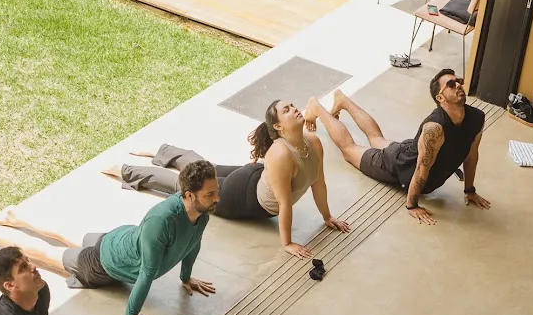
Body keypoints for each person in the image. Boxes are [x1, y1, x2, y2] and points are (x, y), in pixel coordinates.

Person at [0, 161, 219, 315]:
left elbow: (192, 244)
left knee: (68, 235)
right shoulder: (162, 221)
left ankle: (14, 217)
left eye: (215, 191)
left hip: (118, 240)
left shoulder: (201, 212)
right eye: (210, 194)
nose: (217, 198)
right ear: (188, 195)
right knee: (48, 254)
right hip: (102, 263)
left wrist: (186, 278)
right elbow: (148, 271)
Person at [108, 99, 351, 259]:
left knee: (209, 168)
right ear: (278, 126)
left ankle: (164, 152)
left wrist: (327, 217)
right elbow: (284, 203)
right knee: (186, 186)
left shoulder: (313, 142)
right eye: (286, 110)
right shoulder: (281, 154)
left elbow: (318, 182)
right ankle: (126, 171)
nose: (295, 109)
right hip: (241, 196)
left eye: (292, 106)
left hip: (256, 176)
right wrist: (287, 243)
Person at [306, 71, 490, 226]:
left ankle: (343, 101)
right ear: (440, 97)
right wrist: (412, 205)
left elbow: (471, 155)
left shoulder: (477, 118)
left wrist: (469, 190)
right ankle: (317, 108)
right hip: (399, 167)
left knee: (377, 139)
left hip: (409, 151)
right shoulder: (434, 128)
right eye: (450, 84)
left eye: (458, 81)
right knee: (349, 149)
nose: (458, 85)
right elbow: (421, 168)